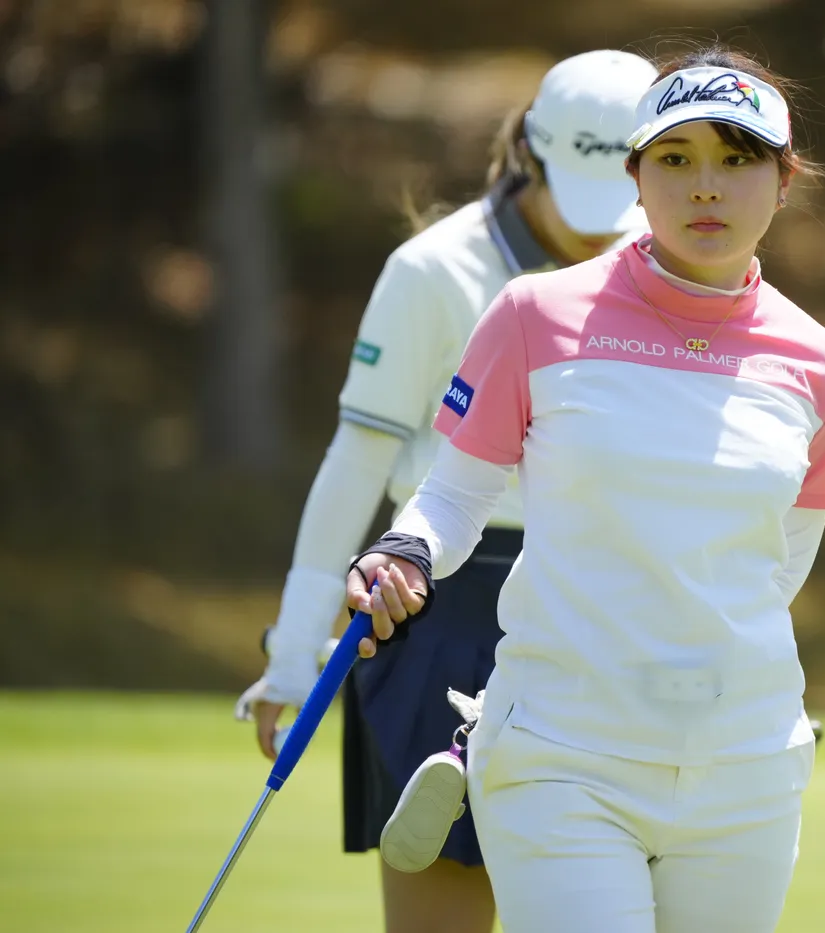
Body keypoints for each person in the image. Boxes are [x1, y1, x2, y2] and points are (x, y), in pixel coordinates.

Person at [346, 43, 825, 933]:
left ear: (784, 181)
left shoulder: (822, 363)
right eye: (676, 159)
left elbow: (779, 564)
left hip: (744, 762)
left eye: (737, 159)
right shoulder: (534, 316)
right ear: (636, 177)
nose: (706, 187)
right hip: (560, 751)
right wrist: (406, 550)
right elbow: (454, 496)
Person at [233, 49, 660, 933]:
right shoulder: (434, 269)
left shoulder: (663, 272)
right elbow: (359, 455)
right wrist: (297, 640)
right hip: (444, 604)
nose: (599, 229)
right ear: (530, 152)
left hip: (609, 607)